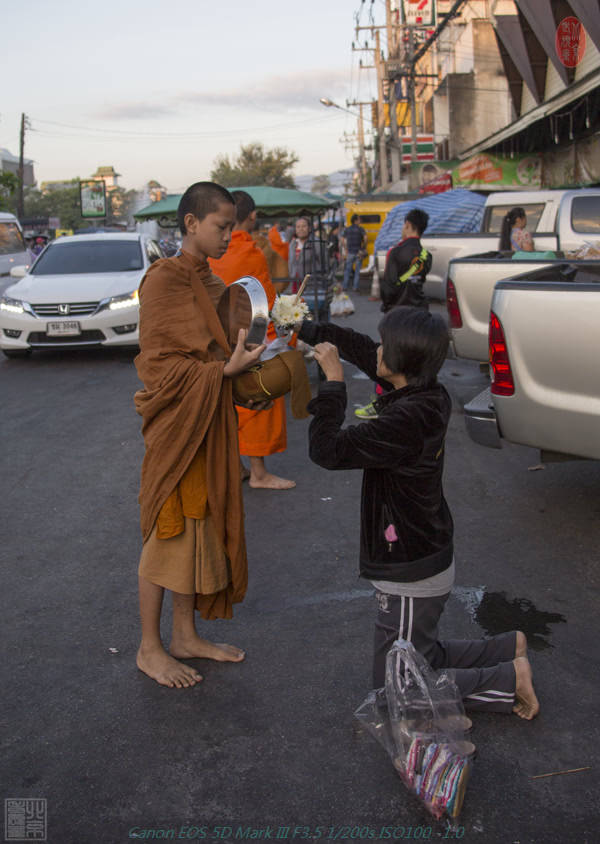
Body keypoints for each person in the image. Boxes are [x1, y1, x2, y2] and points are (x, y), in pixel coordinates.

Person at [298, 307, 540, 719]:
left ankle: (508, 681)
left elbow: (327, 450)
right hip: (421, 553)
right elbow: (360, 348)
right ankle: (506, 647)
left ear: (402, 361)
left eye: (384, 346)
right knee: (418, 650)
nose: (376, 350)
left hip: (410, 566)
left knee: (398, 687)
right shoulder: (424, 393)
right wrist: (307, 328)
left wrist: (334, 384)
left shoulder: (407, 420)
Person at [134, 181, 268, 689]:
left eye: (232, 226)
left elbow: (228, 344)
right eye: (221, 226)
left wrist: (254, 359)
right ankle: (150, 647)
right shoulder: (163, 280)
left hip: (209, 422)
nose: (228, 236)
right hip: (176, 425)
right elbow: (160, 367)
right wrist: (221, 373)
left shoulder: (211, 282)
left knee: (200, 526)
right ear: (190, 223)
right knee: (167, 530)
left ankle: (185, 635)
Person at [209, 190, 295, 490]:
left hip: (216, 343)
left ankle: (237, 467)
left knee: (226, 406)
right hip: (250, 340)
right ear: (252, 216)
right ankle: (259, 474)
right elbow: (266, 302)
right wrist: (280, 340)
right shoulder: (251, 252)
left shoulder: (212, 251)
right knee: (258, 400)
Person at [380, 208, 432, 312]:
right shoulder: (427, 256)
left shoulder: (395, 252)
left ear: (407, 224)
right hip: (420, 311)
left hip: (398, 311)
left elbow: (388, 287)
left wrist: (386, 306)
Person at [341, 214, 367, 293]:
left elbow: (342, 239)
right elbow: (366, 238)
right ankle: (355, 287)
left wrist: (346, 248)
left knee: (347, 270)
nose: (360, 221)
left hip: (350, 252)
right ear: (355, 220)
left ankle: (344, 286)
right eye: (359, 219)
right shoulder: (360, 229)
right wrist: (363, 247)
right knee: (357, 271)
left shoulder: (347, 229)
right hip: (358, 252)